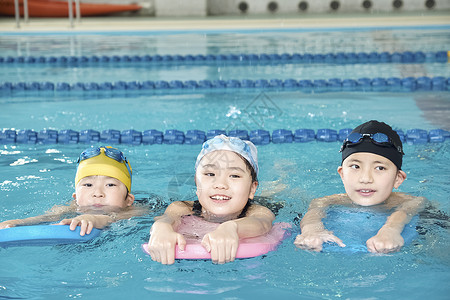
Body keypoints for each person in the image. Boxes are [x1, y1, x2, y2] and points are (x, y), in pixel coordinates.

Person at [294, 120, 425, 253]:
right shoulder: (332, 201)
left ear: (398, 178)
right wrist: (311, 229)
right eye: (355, 166)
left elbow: (408, 209)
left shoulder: (408, 201)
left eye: (380, 168)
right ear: (342, 174)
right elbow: (316, 208)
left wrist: (391, 229)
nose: (365, 179)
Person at [147, 135, 275, 265]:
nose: (220, 184)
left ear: (252, 189)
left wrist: (232, 227)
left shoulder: (258, 211)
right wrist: (161, 227)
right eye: (210, 174)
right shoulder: (182, 208)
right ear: (197, 184)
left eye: (234, 176)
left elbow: (263, 223)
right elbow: (168, 218)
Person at [0, 146, 146, 236]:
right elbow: (44, 218)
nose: (98, 193)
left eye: (110, 185)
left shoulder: (136, 212)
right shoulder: (70, 208)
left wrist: (94, 219)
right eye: (88, 185)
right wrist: (18, 222)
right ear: (75, 198)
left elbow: (113, 219)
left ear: (129, 200)